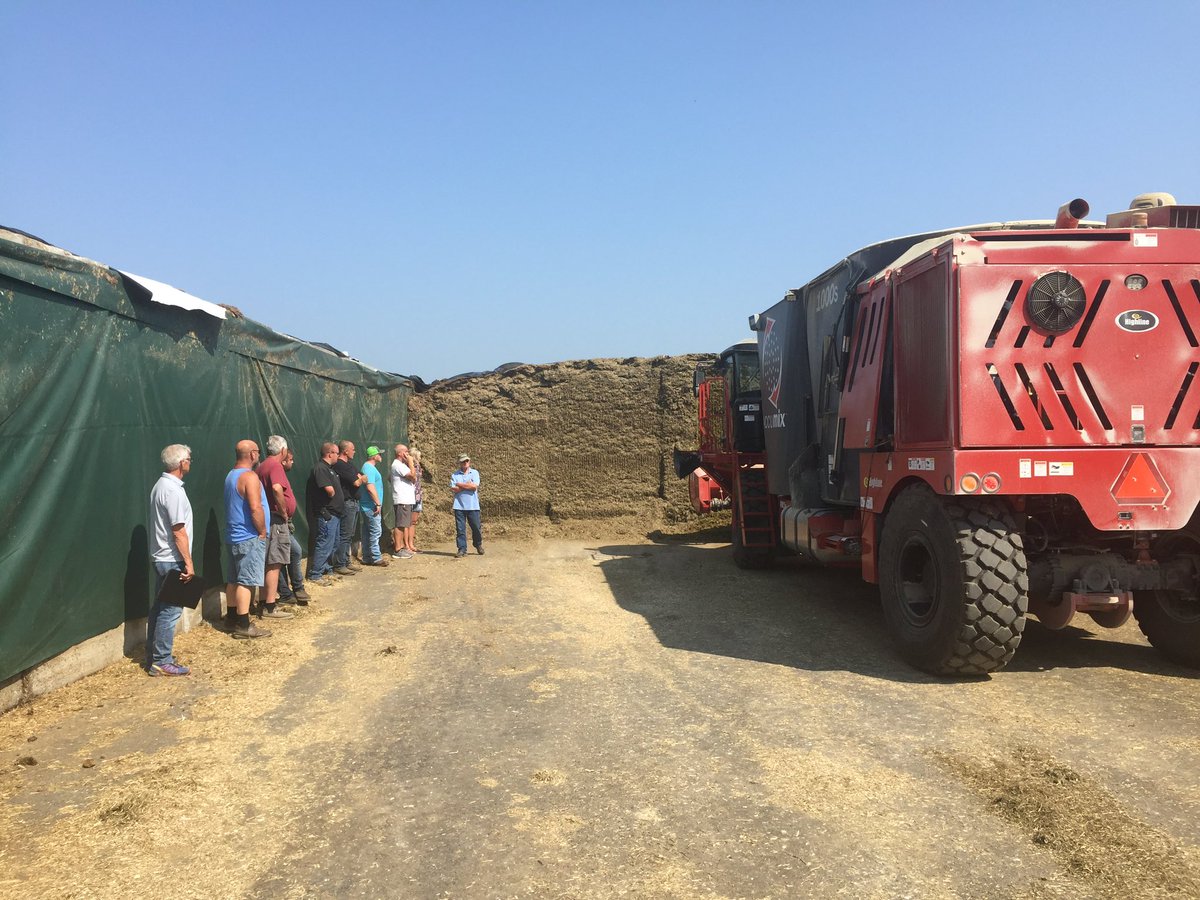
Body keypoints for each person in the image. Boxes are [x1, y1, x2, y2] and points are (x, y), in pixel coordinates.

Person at [146, 444, 195, 675]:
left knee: (160, 608)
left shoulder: (161, 486)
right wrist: (189, 563)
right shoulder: (172, 490)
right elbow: (178, 531)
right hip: (172, 559)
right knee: (170, 611)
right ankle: (161, 660)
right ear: (181, 463)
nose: (190, 462)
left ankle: (154, 656)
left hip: (162, 557)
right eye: (189, 458)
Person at [223, 440, 271, 639]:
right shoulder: (249, 476)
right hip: (249, 536)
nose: (258, 455)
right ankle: (243, 625)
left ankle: (232, 618)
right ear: (252, 454)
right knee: (247, 581)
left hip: (234, 535)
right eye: (258, 452)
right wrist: (261, 531)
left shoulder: (230, 475)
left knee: (234, 579)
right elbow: (255, 507)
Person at [254, 435, 297, 620]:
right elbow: (277, 489)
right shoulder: (275, 465)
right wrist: (283, 511)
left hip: (269, 517)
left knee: (269, 561)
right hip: (276, 520)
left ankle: (265, 602)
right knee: (274, 561)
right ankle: (270, 605)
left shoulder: (263, 465)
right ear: (283, 451)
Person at [276, 448, 310, 605]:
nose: (292, 462)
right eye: (290, 460)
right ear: (283, 460)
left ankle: (295, 589)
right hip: (278, 521)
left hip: (286, 522)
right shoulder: (274, 471)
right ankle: (287, 591)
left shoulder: (282, 475)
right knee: (290, 554)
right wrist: (283, 513)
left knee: (291, 553)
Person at [307, 442, 345, 581]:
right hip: (327, 514)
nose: (338, 456)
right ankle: (315, 574)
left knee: (334, 544)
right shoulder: (321, 468)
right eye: (336, 453)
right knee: (324, 544)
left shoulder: (330, 469)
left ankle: (327, 570)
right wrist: (332, 492)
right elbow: (328, 489)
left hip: (336, 514)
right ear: (330, 454)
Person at [332, 440, 367, 575]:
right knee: (345, 534)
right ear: (345, 451)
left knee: (350, 534)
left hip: (354, 503)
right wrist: (360, 479)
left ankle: (346, 561)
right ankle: (340, 564)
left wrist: (360, 479)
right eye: (353, 449)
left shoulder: (349, 465)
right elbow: (358, 481)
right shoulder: (340, 465)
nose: (354, 451)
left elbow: (363, 477)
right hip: (347, 503)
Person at [359, 445, 388, 566]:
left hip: (368, 505)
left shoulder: (369, 467)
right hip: (371, 506)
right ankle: (376, 558)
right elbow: (370, 487)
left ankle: (367, 557)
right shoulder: (369, 468)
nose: (381, 456)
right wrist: (378, 503)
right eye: (379, 454)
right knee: (376, 531)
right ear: (374, 456)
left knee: (367, 532)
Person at [450, 453, 483, 557]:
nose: (465, 463)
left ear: (469, 461)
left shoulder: (475, 473)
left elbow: (474, 487)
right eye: (463, 461)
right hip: (459, 506)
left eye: (467, 461)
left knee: (476, 527)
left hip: (473, 506)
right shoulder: (455, 475)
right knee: (460, 529)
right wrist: (467, 485)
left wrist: (460, 484)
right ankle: (462, 549)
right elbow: (454, 489)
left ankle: (478, 544)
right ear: (460, 463)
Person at [390, 444, 416, 559]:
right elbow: (413, 476)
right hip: (402, 499)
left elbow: (388, 478)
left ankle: (401, 548)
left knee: (403, 524)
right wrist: (410, 462)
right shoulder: (397, 465)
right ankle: (398, 549)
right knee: (400, 525)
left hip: (406, 499)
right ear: (400, 453)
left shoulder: (400, 465)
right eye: (406, 452)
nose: (408, 454)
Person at [409, 447, 425, 553]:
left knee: (413, 522)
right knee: (409, 522)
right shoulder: (410, 466)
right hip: (411, 496)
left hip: (418, 496)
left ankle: (411, 544)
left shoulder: (418, 466)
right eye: (419, 456)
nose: (420, 458)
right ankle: (408, 545)